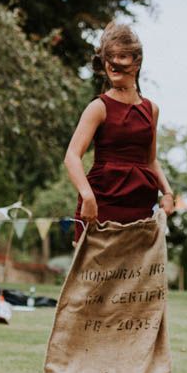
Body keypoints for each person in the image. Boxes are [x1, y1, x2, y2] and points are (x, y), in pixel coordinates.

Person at [64, 22, 174, 241]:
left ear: (136, 62)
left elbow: (150, 160)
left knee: (134, 274)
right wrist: (87, 196)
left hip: (140, 206)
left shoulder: (151, 109)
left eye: (122, 57)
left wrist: (168, 192)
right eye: (109, 57)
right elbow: (72, 157)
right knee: (93, 275)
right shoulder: (99, 107)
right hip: (101, 202)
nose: (113, 64)